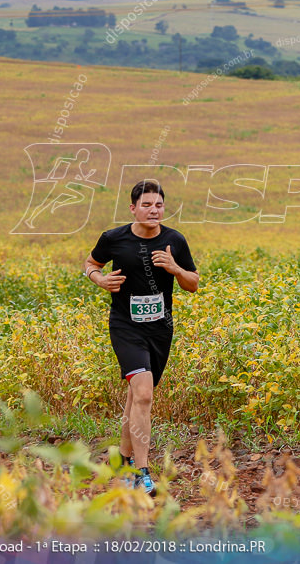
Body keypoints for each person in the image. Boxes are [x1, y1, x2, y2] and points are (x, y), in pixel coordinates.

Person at [84, 180, 199, 495]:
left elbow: (193, 283)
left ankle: (121, 460)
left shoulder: (174, 240)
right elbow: (91, 263)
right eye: (146, 205)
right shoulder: (114, 238)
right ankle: (141, 472)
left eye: (158, 205)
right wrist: (99, 279)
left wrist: (175, 268)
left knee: (137, 398)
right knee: (144, 395)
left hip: (160, 330)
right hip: (125, 327)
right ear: (133, 208)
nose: (154, 210)